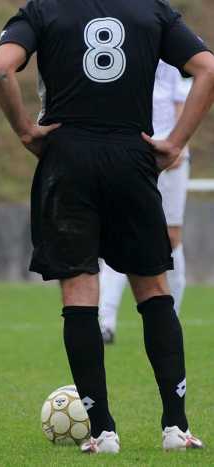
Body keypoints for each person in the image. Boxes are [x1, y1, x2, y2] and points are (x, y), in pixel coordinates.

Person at [0, 0, 214, 454]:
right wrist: (175, 143)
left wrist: (26, 131)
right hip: (131, 158)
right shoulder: (151, 10)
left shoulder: (42, 10)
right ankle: (176, 427)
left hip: (67, 159)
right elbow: (207, 68)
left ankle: (102, 431)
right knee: (153, 289)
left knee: (79, 291)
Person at [100, 61, 193, 344]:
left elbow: (183, 101)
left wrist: (178, 145)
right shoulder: (126, 40)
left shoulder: (176, 48)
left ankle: (170, 318)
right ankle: (105, 320)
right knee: (118, 235)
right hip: (130, 153)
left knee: (171, 236)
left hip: (170, 153)